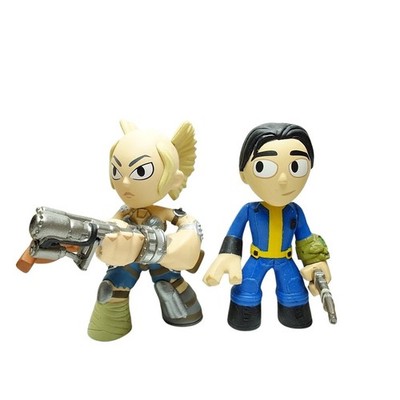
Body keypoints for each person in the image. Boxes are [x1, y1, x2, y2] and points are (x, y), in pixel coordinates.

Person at [203, 122, 331, 330]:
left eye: (296, 167)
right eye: (264, 167)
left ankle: (293, 315)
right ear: (244, 174)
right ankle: (245, 317)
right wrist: (229, 255)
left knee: (294, 291)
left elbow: (306, 240)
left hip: (285, 260)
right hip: (257, 259)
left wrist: (316, 264)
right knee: (246, 290)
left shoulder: (295, 211)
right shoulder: (250, 210)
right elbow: (234, 235)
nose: (283, 180)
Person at [89, 120, 203, 341]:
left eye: (140, 171)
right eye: (117, 171)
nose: (125, 182)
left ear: (174, 179)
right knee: (109, 290)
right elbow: (110, 226)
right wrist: (112, 238)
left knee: (169, 287)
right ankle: (109, 329)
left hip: (161, 258)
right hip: (128, 260)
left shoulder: (166, 212)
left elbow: (190, 225)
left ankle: (185, 315)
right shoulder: (123, 212)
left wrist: (181, 244)